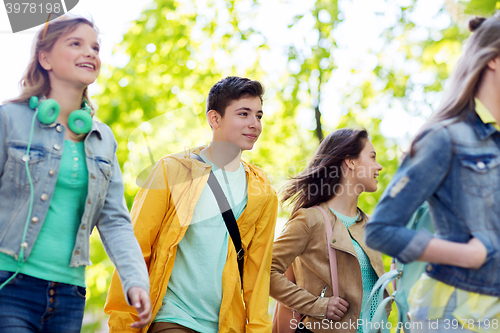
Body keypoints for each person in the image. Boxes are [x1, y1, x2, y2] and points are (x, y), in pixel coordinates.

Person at [0, 15, 151, 332]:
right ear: (45, 58)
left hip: (68, 296)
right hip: (9, 286)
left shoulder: (102, 138)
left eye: (95, 47)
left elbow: (114, 220)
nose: (91, 53)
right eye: (76, 44)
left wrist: (136, 279)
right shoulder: (9, 120)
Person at [105, 76, 279, 333]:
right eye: (244, 114)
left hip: (226, 326)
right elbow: (136, 247)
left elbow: (258, 272)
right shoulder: (173, 170)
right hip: (172, 318)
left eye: (259, 116)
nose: (254, 124)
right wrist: (123, 325)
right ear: (214, 119)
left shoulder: (262, 192)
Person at [365, 14, 500, 333]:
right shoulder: (445, 138)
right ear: (494, 59)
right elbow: (381, 229)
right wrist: (466, 255)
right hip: (456, 311)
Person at [270, 128, 389, 333]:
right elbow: (265, 271)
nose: (379, 166)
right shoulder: (311, 219)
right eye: (372, 157)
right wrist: (317, 305)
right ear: (350, 162)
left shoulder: (369, 225)